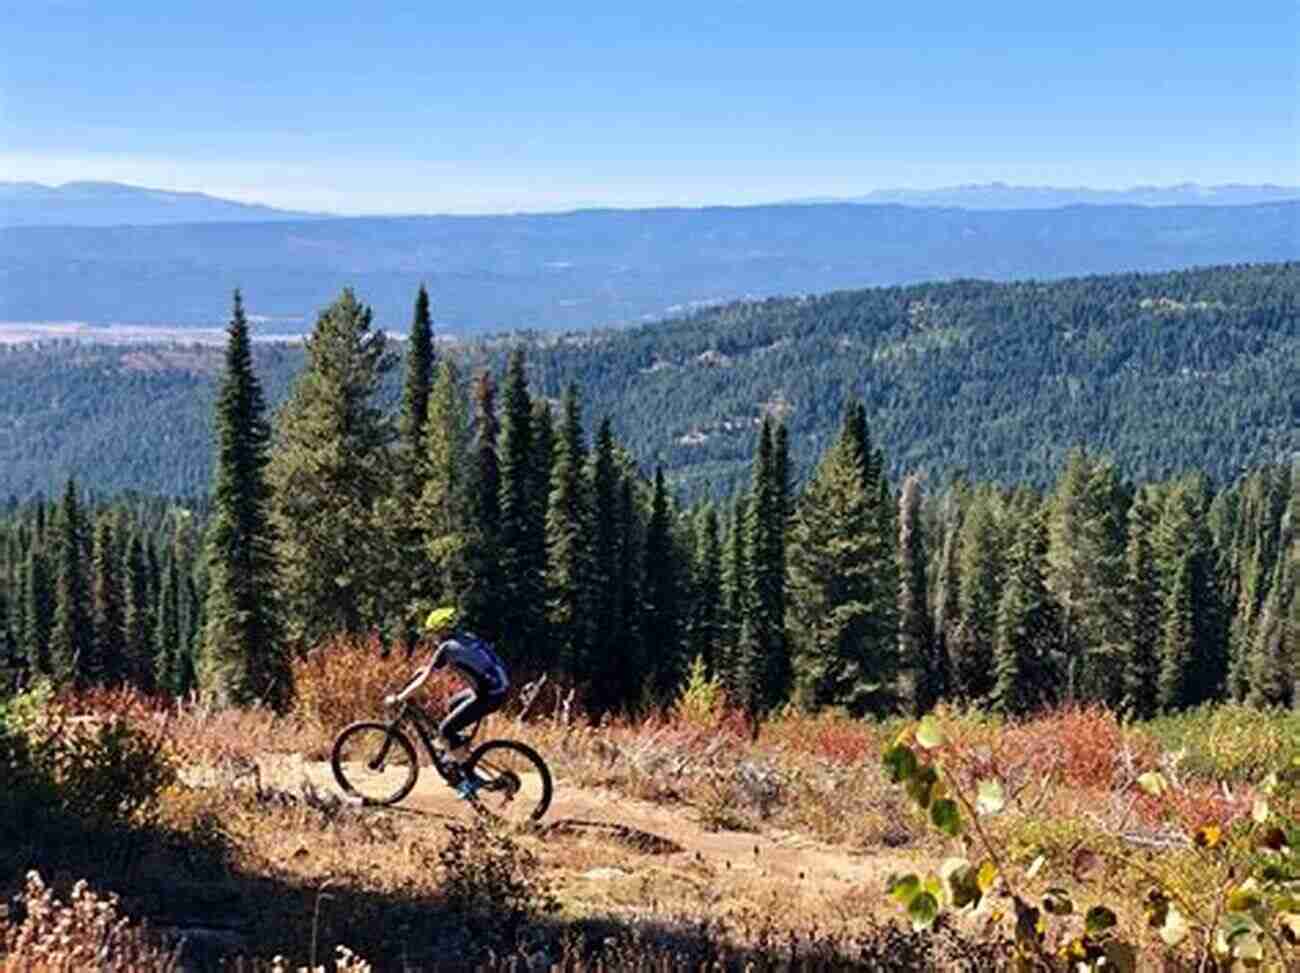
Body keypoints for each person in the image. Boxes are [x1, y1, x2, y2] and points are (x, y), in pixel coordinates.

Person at [422, 606, 510, 797]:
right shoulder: (465, 637)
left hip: (488, 695)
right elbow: (429, 668)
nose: (432, 637)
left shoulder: (447, 648)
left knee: (444, 730)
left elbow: (426, 677)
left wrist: (400, 697)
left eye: (433, 633)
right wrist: (421, 672)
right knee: (453, 704)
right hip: (497, 687)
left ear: (442, 630)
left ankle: (468, 780)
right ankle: (458, 749)